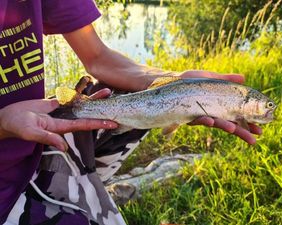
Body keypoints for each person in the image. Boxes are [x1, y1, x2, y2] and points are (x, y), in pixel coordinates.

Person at [0, 0, 262, 224]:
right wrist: (4, 122)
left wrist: (177, 82)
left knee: (120, 94)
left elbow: (98, 56)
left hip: (36, 140)